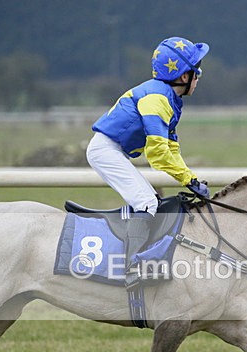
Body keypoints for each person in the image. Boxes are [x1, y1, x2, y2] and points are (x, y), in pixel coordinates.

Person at [86, 36, 211, 288]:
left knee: (149, 199)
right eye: (197, 71)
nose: (199, 75)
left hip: (113, 149)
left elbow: (171, 149)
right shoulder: (157, 100)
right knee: (146, 202)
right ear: (184, 77)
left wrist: (191, 177)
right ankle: (131, 268)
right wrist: (187, 179)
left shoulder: (169, 99)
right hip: (105, 150)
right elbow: (157, 154)